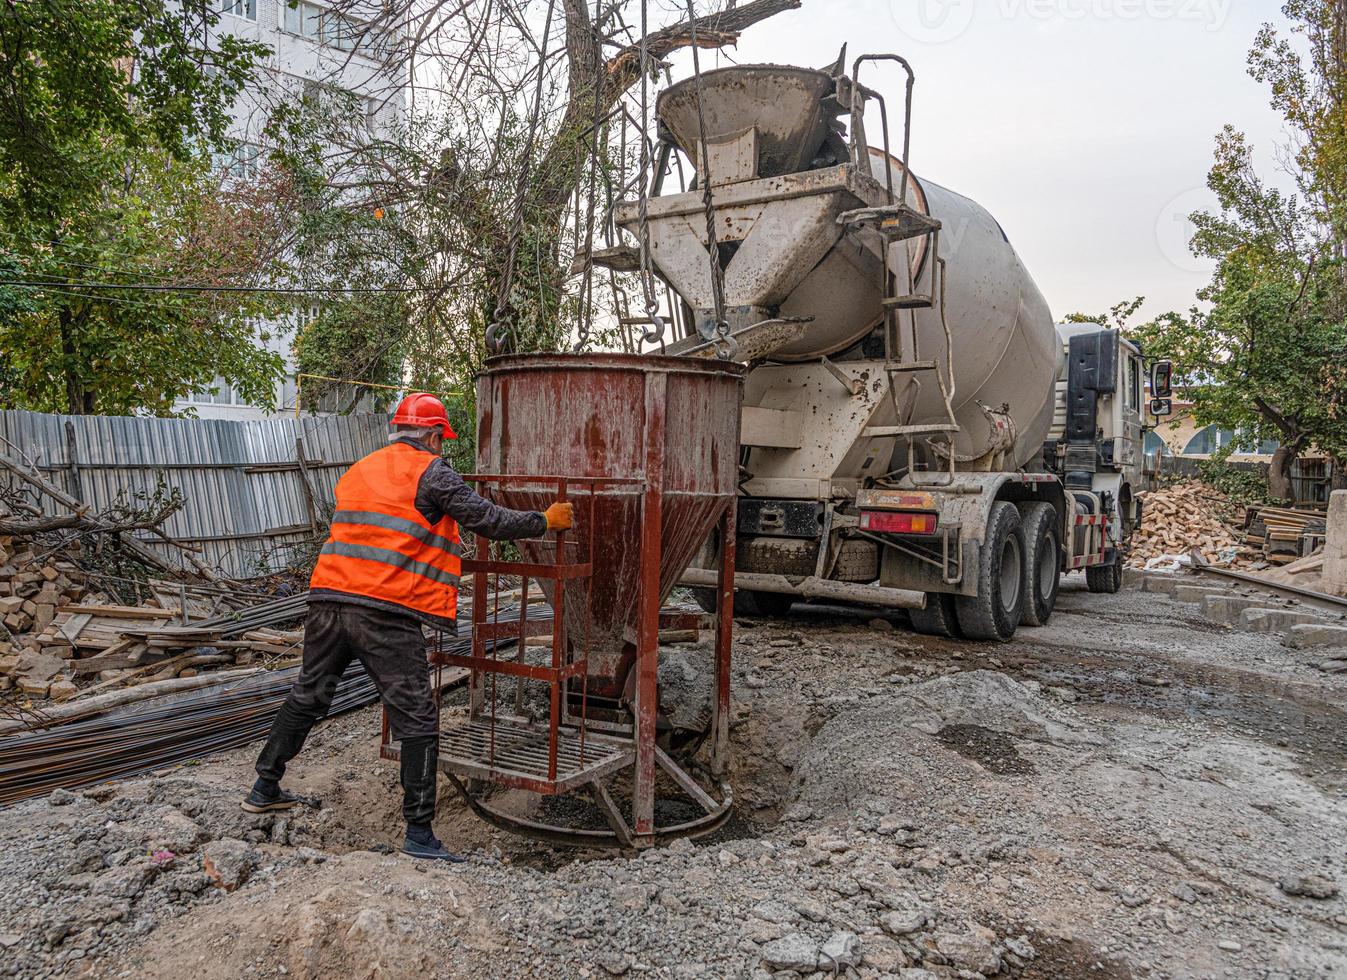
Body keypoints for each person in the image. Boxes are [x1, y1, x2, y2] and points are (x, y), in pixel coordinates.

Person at [241, 392, 574, 861]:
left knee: (309, 694)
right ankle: (420, 836)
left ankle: (264, 786)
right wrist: (544, 521)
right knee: (417, 716)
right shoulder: (432, 472)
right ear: (434, 435)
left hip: (327, 600)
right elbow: (487, 520)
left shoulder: (360, 468)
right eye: (441, 439)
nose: (441, 447)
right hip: (384, 610)